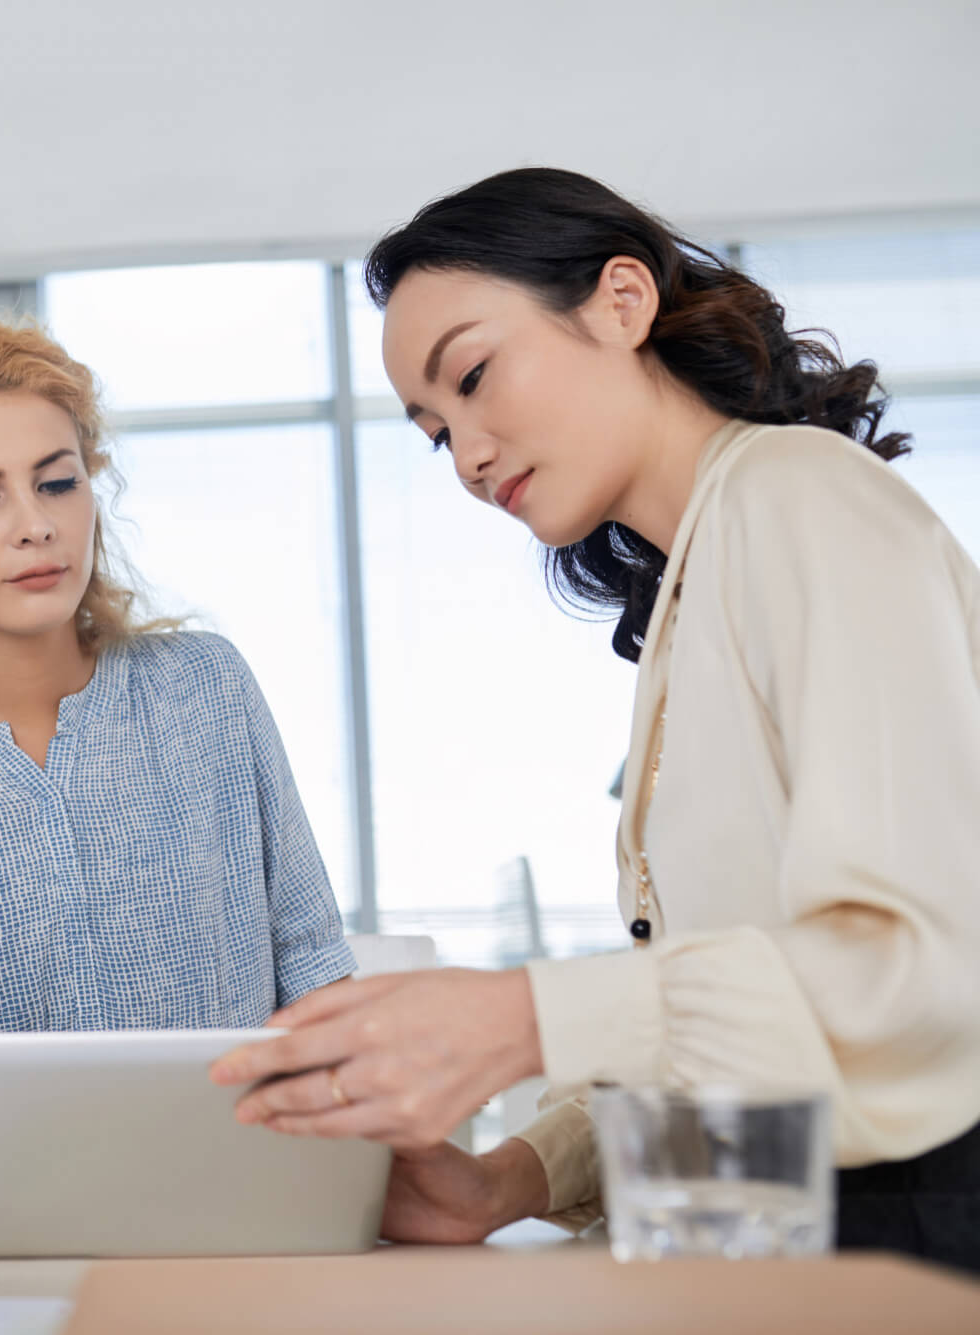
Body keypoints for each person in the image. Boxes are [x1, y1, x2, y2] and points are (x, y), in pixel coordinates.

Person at [211, 168, 980, 1270]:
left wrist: (522, 1017)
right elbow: (741, 1027)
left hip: (911, 1238)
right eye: (435, 432)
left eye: (474, 376)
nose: (467, 457)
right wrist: (503, 1182)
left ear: (622, 301)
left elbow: (919, 967)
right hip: (775, 1221)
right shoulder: (695, 588)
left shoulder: (799, 495)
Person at [0, 308, 353, 1182]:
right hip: (22, 1239)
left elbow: (317, 971)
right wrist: (116, 1177)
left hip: (254, 1203)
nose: (35, 525)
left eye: (57, 482)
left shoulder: (206, 689)